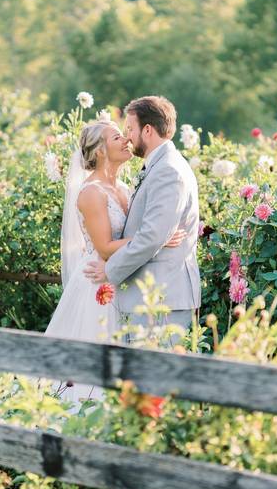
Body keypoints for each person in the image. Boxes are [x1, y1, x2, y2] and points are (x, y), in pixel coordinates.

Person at [46, 118, 186, 406]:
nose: (126, 141)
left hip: (122, 280)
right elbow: (105, 247)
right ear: (99, 151)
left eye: (124, 135)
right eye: (116, 138)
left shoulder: (123, 187)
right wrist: (158, 238)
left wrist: (155, 236)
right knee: (95, 367)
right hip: (98, 284)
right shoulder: (90, 193)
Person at [84, 95, 201, 341]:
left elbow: (152, 237)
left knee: (152, 378)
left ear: (147, 130)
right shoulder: (159, 166)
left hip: (161, 299)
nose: (127, 137)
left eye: (129, 129)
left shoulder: (168, 170)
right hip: (150, 298)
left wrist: (110, 270)